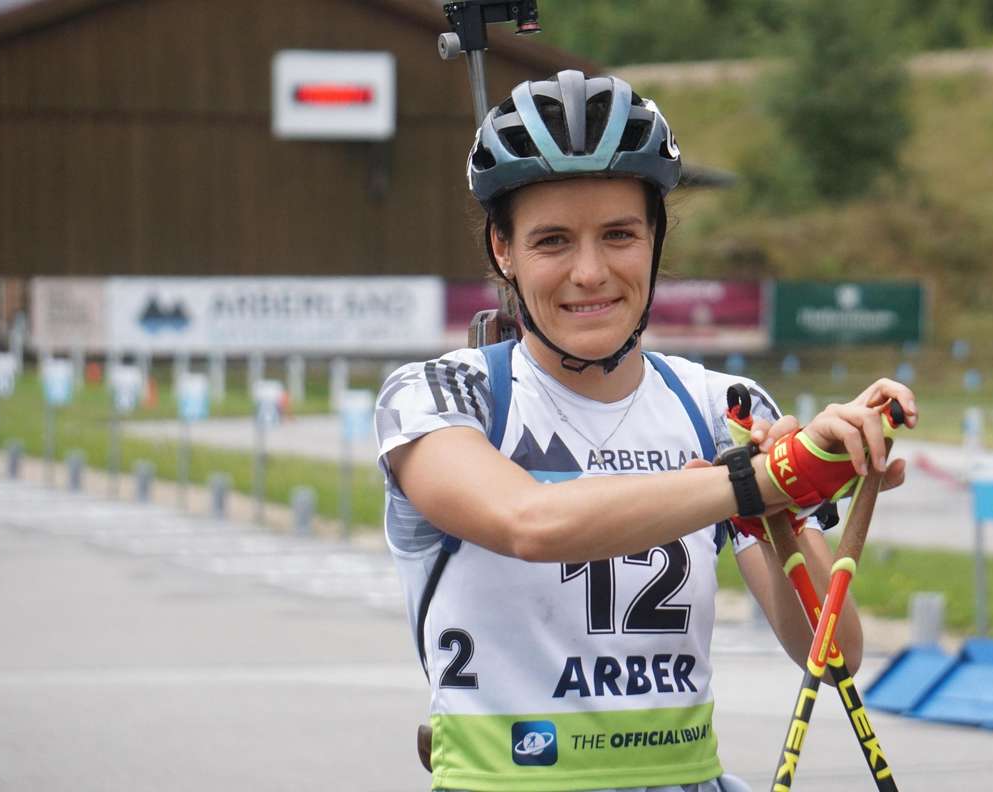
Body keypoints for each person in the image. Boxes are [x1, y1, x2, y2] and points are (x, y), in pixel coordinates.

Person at [375, 70, 915, 792]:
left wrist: (783, 501)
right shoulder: (446, 394)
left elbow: (836, 656)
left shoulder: (722, 403)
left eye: (620, 235)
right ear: (501, 250)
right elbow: (529, 522)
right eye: (553, 241)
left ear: (656, 239)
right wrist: (748, 482)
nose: (590, 272)